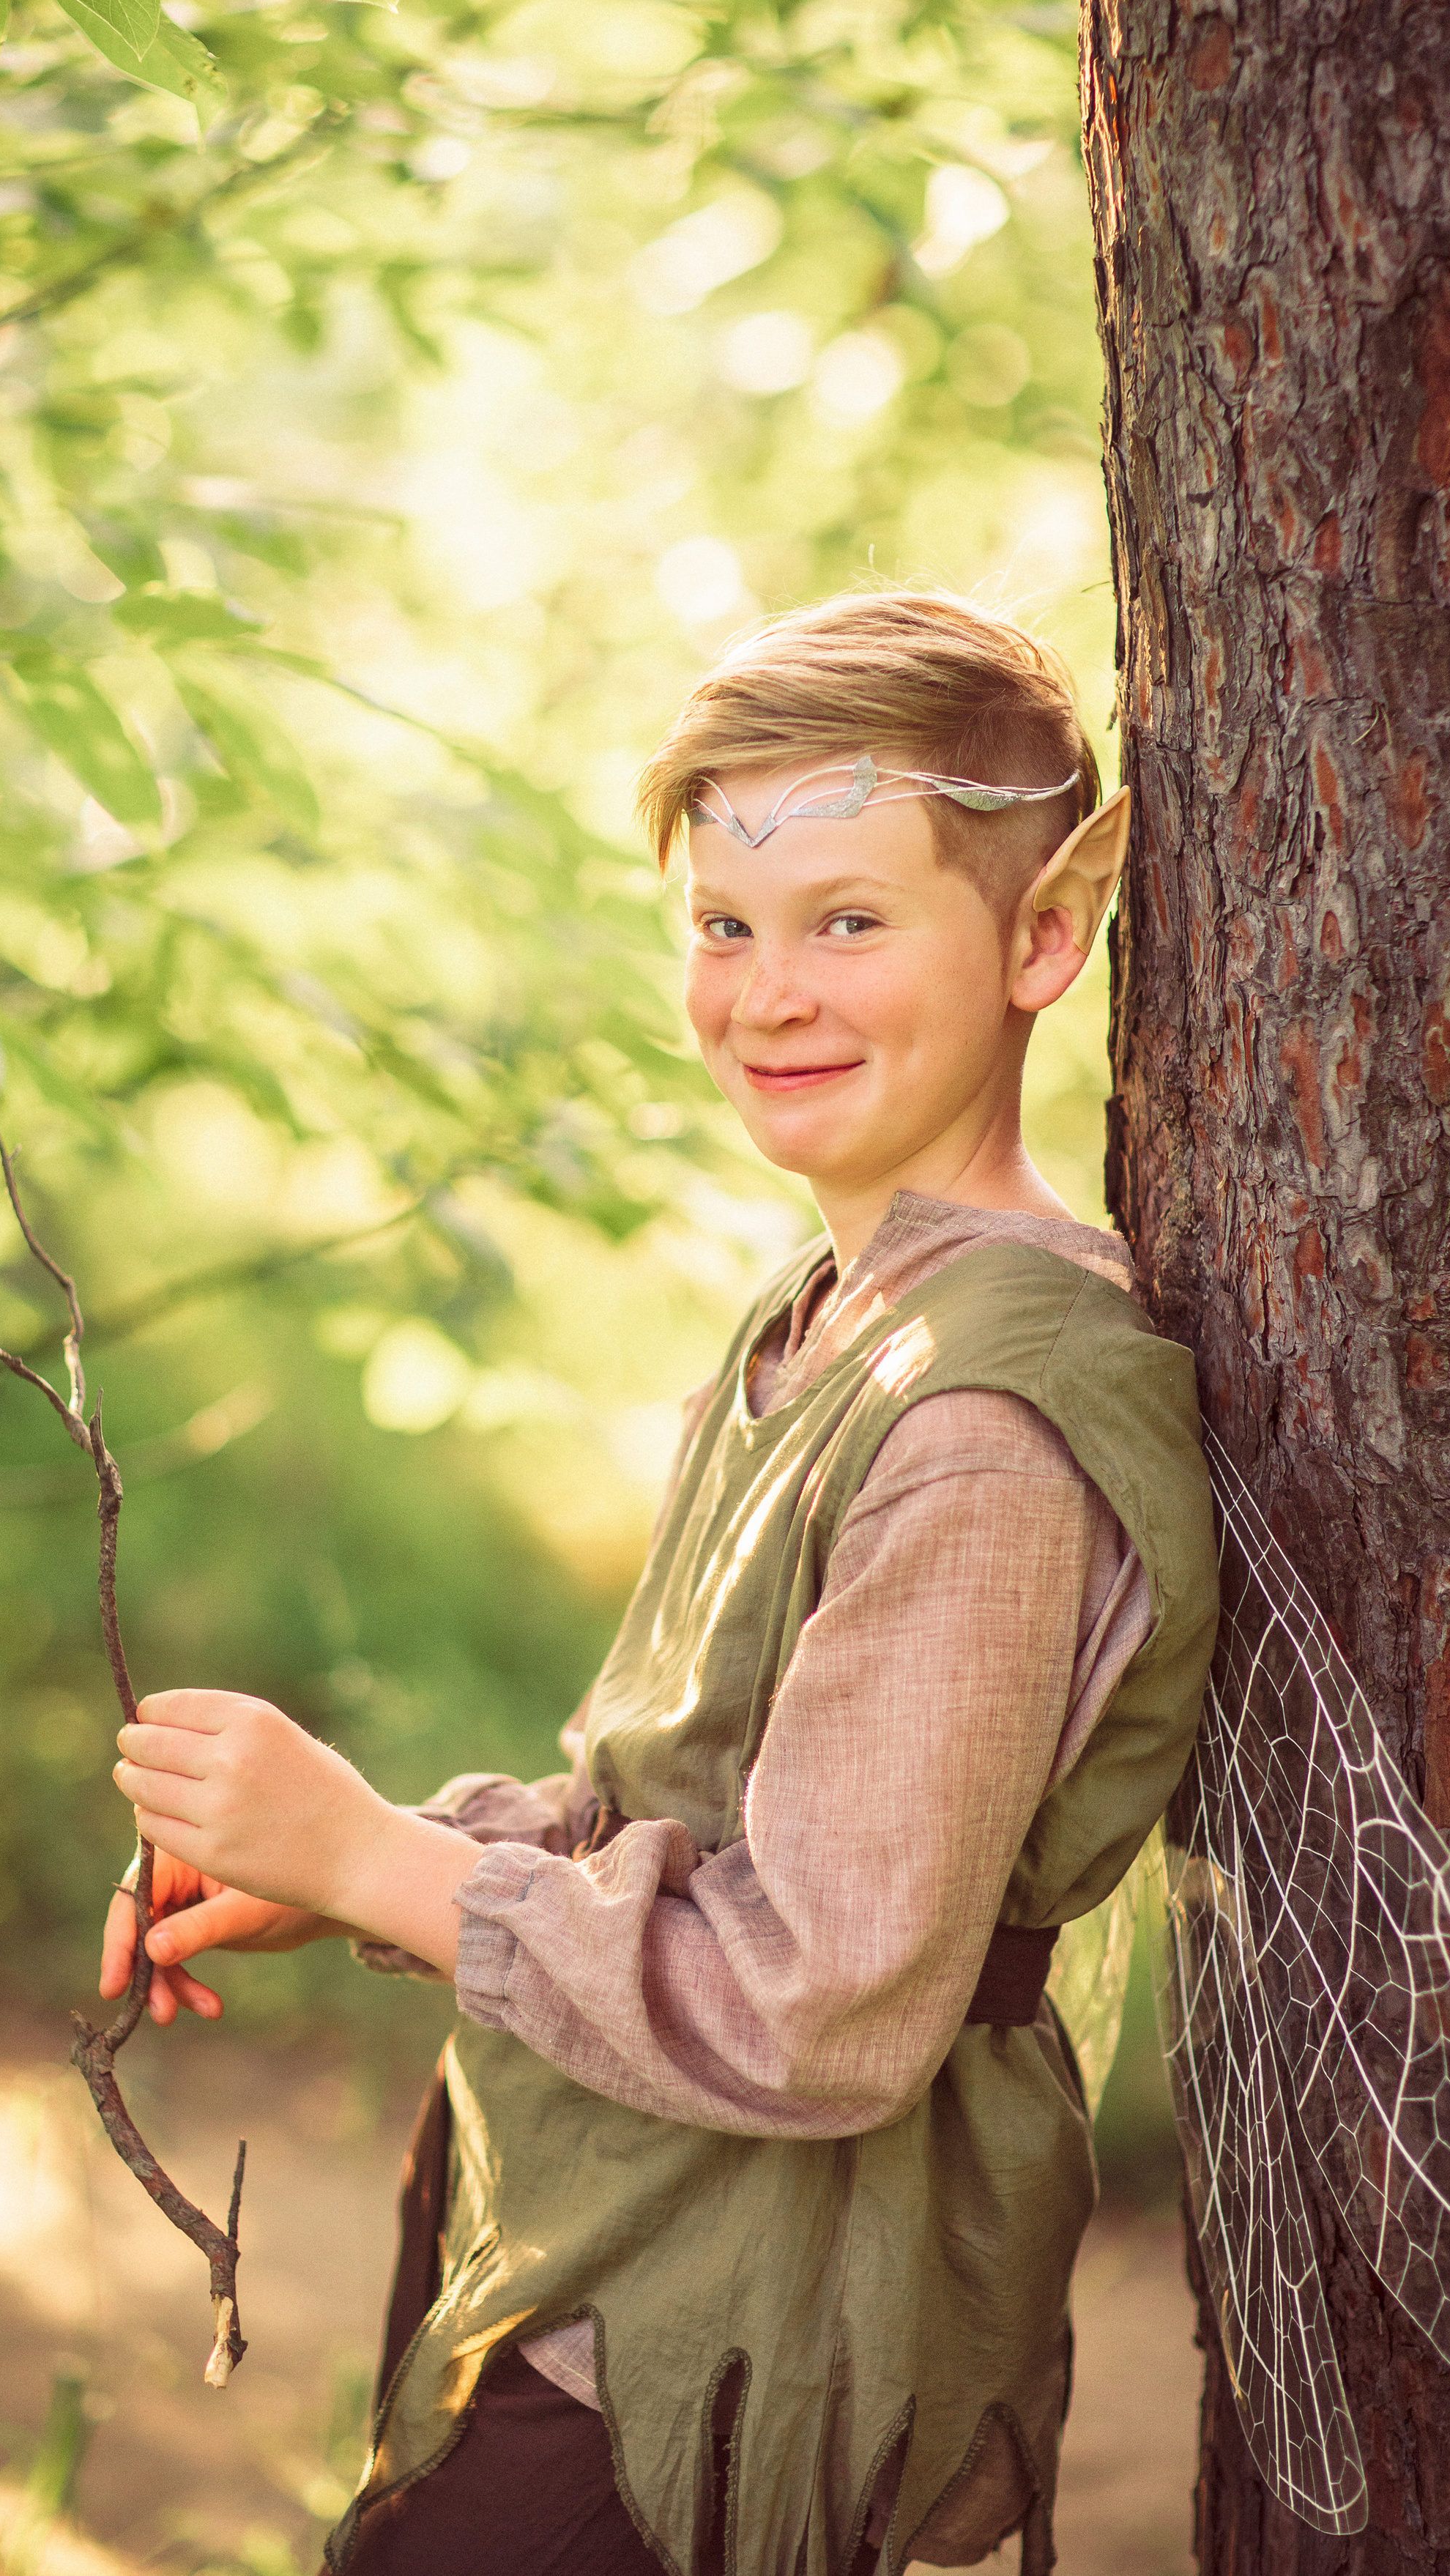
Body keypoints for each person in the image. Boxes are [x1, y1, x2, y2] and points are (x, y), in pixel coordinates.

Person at [101, 590, 1219, 2576]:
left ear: (1043, 935)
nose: (767, 993)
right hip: (604, 2239)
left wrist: (383, 1864)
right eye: (724, 924)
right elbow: (704, 1829)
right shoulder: (831, 1318)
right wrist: (367, 1861)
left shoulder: (986, 1423)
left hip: (725, 2340)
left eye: (850, 922)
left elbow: (823, 2000)